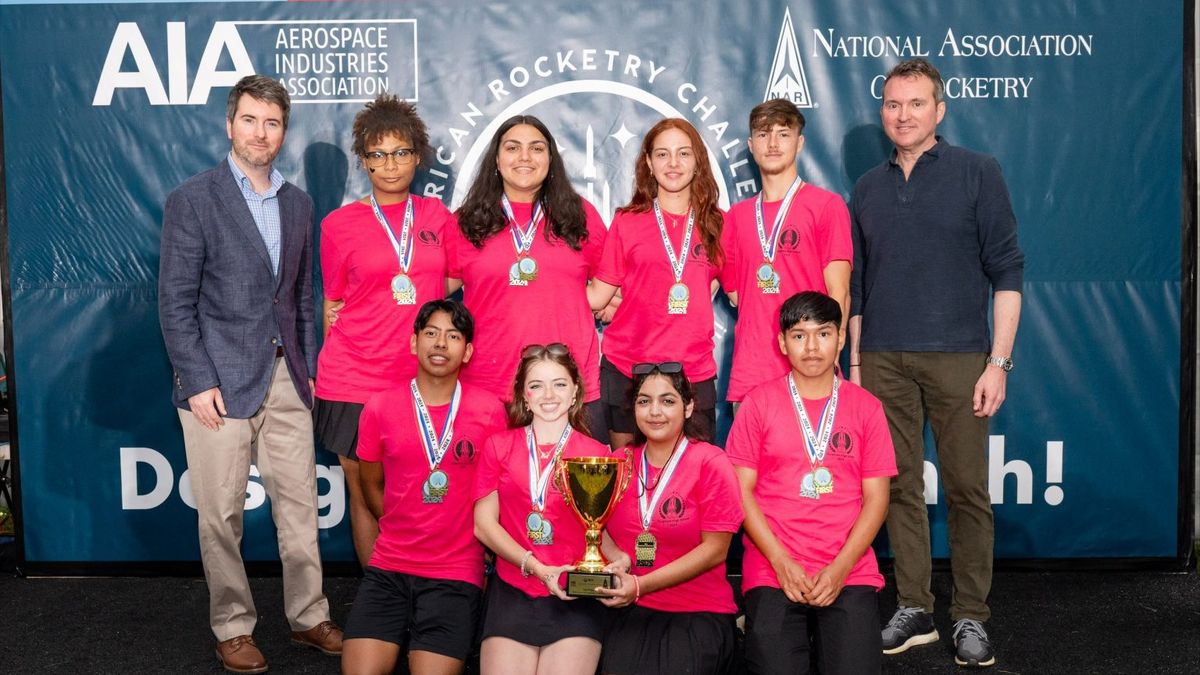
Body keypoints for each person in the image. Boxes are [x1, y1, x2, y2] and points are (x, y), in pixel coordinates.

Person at [158, 74, 341, 674]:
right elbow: (175, 304)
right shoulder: (194, 198)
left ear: (283, 131)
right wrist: (197, 380)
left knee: (299, 509)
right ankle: (233, 626)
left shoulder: (299, 203)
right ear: (229, 124)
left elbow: (300, 298)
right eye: (250, 120)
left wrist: (310, 372)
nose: (261, 132)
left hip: (288, 378)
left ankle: (309, 616)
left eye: (273, 122)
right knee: (221, 514)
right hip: (215, 385)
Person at [848, 58, 1024, 669]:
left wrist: (997, 362)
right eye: (893, 105)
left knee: (967, 489)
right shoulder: (868, 186)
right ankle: (915, 606)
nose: (903, 115)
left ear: (939, 111)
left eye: (916, 103)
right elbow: (860, 289)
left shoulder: (979, 172)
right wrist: (854, 366)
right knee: (896, 485)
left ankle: (971, 615)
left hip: (960, 357)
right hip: (882, 357)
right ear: (883, 112)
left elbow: (1008, 272)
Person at [727, 291, 896, 675]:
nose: (812, 346)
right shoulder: (758, 403)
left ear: (840, 339)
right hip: (774, 567)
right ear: (782, 342)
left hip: (847, 567)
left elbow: (877, 500)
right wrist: (781, 561)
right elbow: (742, 492)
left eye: (823, 333)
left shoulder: (867, 407)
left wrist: (839, 569)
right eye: (799, 335)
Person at [315, 94, 451, 568]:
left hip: (420, 379)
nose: (389, 165)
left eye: (400, 153)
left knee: (420, 489)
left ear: (417, 155)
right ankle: (383, 602)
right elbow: (334, 300)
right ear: (363, 160)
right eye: (377, 154)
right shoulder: (337, 225)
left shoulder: (438, 218)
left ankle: (426, 589)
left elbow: (454, 280)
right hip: (353, 379)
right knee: (364, 492)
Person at [341, 299, 507, 675]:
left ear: (467, 352)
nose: (440, 343)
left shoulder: (490, 411)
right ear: (414, 343)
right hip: (389, 567)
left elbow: (496, 492)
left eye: (453, 336)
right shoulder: (379, 408)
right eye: (431, 333)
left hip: (456, 572)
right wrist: (405, 527)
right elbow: (371, 485)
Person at [448, 115, 608, 439]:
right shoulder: (466, 223)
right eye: (513, 147)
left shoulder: (580, 215)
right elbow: (430, 291)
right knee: (490, 489)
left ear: (551, 159)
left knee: (568, 489)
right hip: (488, 386)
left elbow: (614, 286)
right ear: (496, 158)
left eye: (536, 148)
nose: (524, 157)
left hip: (567, 388)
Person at [595, 362, 743, 675]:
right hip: (631, 608)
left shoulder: (711, 462)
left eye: (668, 400)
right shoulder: (618, 462)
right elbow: (596, 527)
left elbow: (716, 549)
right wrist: (617, 557)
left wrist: (640, 584)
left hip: (697, 610)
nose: (654, 411)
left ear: (688, 407)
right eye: (644, 401)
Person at [472, 343, 610, 675]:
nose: (549, 394)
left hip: (574, 594)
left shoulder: (598, 455)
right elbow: (483, 526)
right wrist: (537, 568)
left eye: (559, 384)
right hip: (514, 590)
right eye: (537, 385)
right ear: (524, 394)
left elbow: (602, 535)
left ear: (575, 390)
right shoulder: (498, 446)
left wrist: (621, 560)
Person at [587, 118, 724, 449]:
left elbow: (719, 286)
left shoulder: (718, 224)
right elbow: (597, 297)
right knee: (628, 479)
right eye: (662, 154)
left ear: (698, 161)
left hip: (693, 371)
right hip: (627, 369)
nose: (673, 164)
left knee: (692, 483)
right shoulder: (627, 222)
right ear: (648, 162)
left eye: (683, 154)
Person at [721, 99, 852, 407]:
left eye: (783, 133)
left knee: (816, 456)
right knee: (747, 458)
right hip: (751, 371)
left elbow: (839, 291)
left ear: (800, 142)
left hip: (810, 367)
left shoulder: (826, 206)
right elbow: (737, 294)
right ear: (752, 145)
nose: (773, 143)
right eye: (764, 134)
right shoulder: (735, 218)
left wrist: (829, 350)